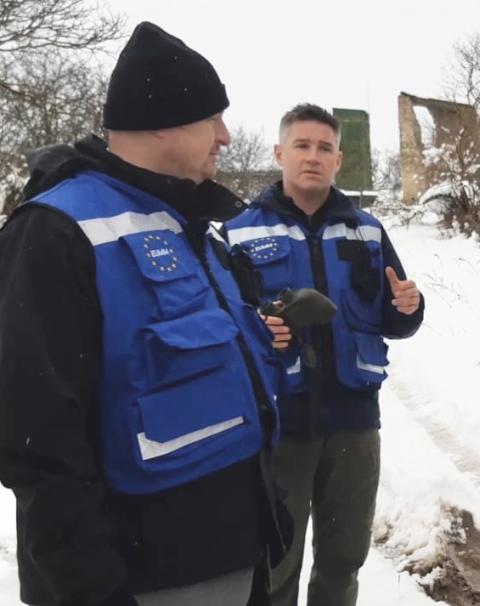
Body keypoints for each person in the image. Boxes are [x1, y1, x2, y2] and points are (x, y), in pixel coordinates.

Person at [0, 22, 291, 606]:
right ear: (161, 119)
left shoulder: (187, 224)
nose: (227, 136)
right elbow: (36, 443)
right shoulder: (56, 233)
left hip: (238, 552)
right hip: (144, 579)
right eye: (213, 118)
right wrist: (91, 589)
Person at [225, 103, 423, 606]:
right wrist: (256, 327)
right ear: (279, 153)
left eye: (325, 148)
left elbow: (394, 317)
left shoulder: (369, 231)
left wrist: (409, 307)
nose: (313, 157)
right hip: (278, 426)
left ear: (339, 160)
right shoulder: (237, 232)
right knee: (275, 565)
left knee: (343, 560)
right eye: (302, 145)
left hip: (354, 426)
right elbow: (221, 327)